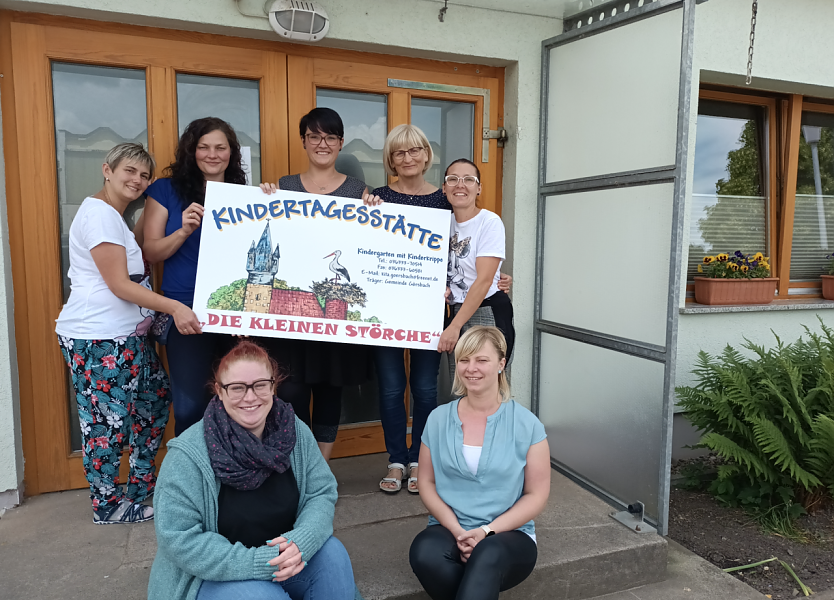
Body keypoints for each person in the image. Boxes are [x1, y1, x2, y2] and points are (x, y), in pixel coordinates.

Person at [55, 143, 202, 525]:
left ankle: (139, 489)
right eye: (129, 171)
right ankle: (107, 506)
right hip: (99, 338)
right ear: (107, 170)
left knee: (153, 404)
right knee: (106, 425)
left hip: (126, 337)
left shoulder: (115, 216)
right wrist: (173, 307)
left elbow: (144, 254)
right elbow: (120, 284)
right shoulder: (100, 215)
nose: (137, 180)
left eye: (144, 175)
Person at [148, 340, 356, 600]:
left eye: (259, 385)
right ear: (219, 391)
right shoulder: (188, 453)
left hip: (284, 559)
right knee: (262, 596)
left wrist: (303, 539)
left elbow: (321, 492)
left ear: (273, 386)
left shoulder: (295, 431)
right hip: (213, 575)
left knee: (332, 554)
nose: (250, 397)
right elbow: (179, 538)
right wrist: (258, 561)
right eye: (237, 388)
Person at [372, 127, 513, 494]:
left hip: (435, 314)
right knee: (390, 389)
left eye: (415, 150)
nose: (408, 158)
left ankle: (421, 460)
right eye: (399, 152)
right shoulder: (376, 199)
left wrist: (496, 278)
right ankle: (396, 460)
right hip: (385, 312)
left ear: (425, 155)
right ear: (390, 158)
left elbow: (474, 266)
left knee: (426, 388)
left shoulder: (442, 201)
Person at [259, 107, 380, 462]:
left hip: (337, 314)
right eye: (315, 136)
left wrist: (376, 209)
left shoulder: (360, 192)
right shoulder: (282, 188)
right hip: (295, 313)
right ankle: (300, 460)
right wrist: (263, 199)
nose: (322, 143)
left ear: (340, 143)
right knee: (292, 390)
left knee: (330, 391)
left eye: (330, 137)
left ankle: (320, 467)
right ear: (304, 141)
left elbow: (372, 248)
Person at [409, 326, 550, 600]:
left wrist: (486, 531)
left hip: (509, 533)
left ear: (501, 363)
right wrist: (458, 531)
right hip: (449, 527)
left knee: (487, 554)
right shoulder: (438, 419)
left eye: (481, 360)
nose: (471, 368)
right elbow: (426, 482)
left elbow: (537, 494)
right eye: (464, 360)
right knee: (424, 553)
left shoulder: (527, 424)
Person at [143, 117, 248, 435]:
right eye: (204, 147)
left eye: (220, 147)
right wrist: (184, 230)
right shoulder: (165, 189)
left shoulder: (241, 194)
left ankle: (234, 477)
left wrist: (269, 198)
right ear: (192, 150)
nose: (212, 154)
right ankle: (192, 480)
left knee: (240, 401)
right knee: (190, 408)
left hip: (233, 308)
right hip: (185, 311)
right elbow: (151, 251)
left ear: (232, 153)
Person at [438, 159, 515, 381]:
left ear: (479, 187)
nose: (460, 185)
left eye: (468, 180)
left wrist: (455, 326)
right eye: (452, 179)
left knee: (487, 387)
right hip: (457, 311)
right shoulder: (441, 223)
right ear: (444, 188)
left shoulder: (489, 222)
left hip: (486, 311)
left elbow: (483, 281)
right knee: (463, 388)